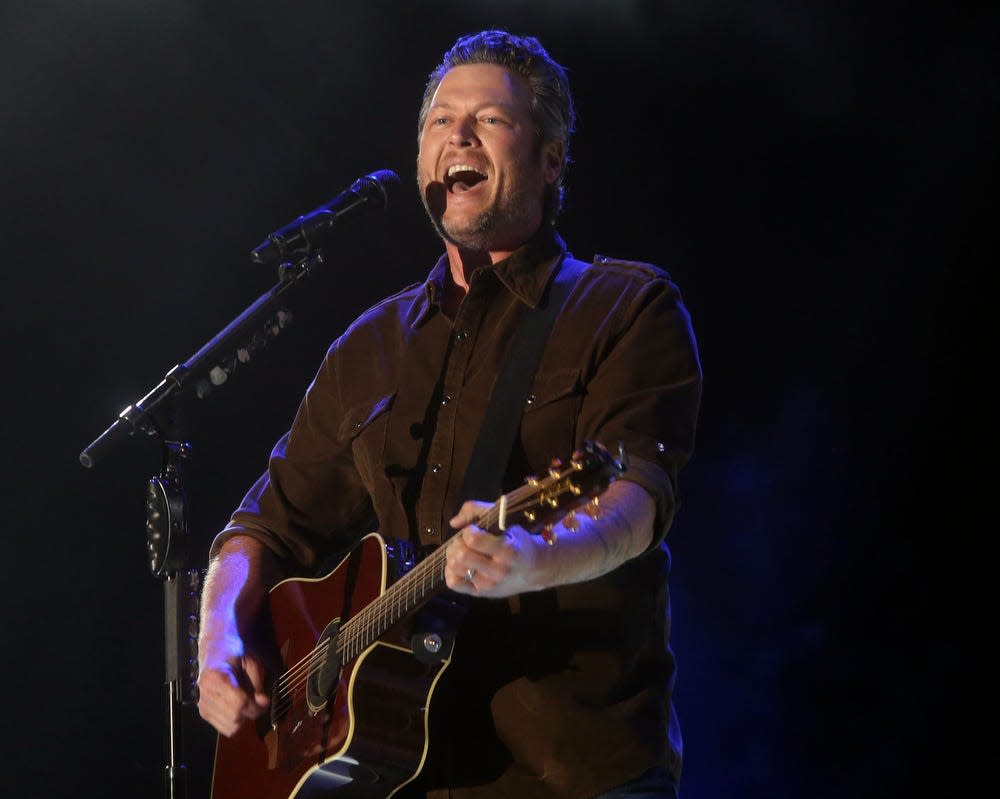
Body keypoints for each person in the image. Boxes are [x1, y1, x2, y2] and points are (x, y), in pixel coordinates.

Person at [196, 28, 702, 799]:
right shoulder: (369, 344)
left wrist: (535, 560)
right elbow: (260, 527)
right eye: (439, 120)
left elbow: (637, 497)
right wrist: (218, 640)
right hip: (399, 775)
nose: (457, 135)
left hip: (572, 771)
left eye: (490, 120)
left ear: (551, 158)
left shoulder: (627, 307)